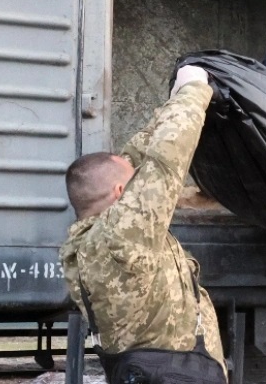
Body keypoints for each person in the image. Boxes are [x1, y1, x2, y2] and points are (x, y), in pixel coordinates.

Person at [59, 65, 226, 383]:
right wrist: (193, 89)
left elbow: (130, 163)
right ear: (121, 194)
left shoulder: (90, 242)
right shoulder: (119, 235)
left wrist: (170, 101)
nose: (140, 183)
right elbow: (166, 159)